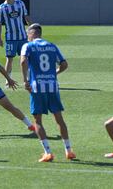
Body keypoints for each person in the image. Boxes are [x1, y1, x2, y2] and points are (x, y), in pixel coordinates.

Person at [20, 23, 76, 162]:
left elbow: (22, 62)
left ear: (32, 33)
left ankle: (48, 152)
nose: (27, 37)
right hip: (52, 86)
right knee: (59, 119)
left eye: (28, 34)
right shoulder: (52, 46)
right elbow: (64, 64)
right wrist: (54, 73)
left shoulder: (28, 46)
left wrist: (25, 81)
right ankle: (68, 150)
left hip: (37, 87)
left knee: (38, 121)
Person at [0, 0, 32, 87]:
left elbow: (26, 16)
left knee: (25, 58)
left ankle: (28, 77)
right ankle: (8, 79)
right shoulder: (2, 8)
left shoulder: (20, 3)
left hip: (22, 37)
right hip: (10, 38)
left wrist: (31, 29)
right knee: (9, 59)